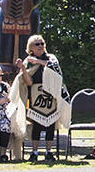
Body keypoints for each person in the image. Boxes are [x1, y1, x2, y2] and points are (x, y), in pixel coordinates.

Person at [13, 35, 71, 163]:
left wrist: (38, 61)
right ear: (30, 48)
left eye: (42, 43)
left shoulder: (51, 58)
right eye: (37, 44)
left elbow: (55, 69)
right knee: (37, 125)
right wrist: (23, 67)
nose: (40, 46)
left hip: (51, 93)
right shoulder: (28, 61)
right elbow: (28, 82)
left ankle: (48, 152)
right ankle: (34, 152)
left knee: (51, 124)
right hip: (35, 94)